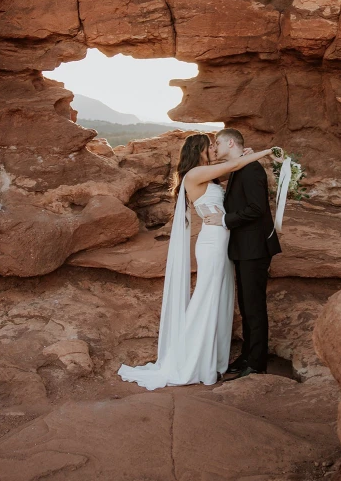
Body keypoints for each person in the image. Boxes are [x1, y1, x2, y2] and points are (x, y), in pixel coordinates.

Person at [117, 133, 274, 390]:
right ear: (199, 150)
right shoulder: (194, 175)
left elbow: (235, 167)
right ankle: (191, 361)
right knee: (207, 299)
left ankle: (214, 360)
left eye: (216, 145)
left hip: (225, 244)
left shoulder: (209, 174)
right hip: (212, 244)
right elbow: (233, 166)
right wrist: (266, 153)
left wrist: (245, 156)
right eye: (209, 146)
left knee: (221, 299)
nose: (214, 149)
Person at [203, 129, 282, 378]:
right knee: (246, 306)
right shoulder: (240, 167)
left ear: (230, 142)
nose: (215, 147)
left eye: (217, 142)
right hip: (243, 248)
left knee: (254, 307)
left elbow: (257, 208)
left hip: (255, 248)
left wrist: (224, 219)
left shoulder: (251, 169)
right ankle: (248, 355)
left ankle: (256, 364)